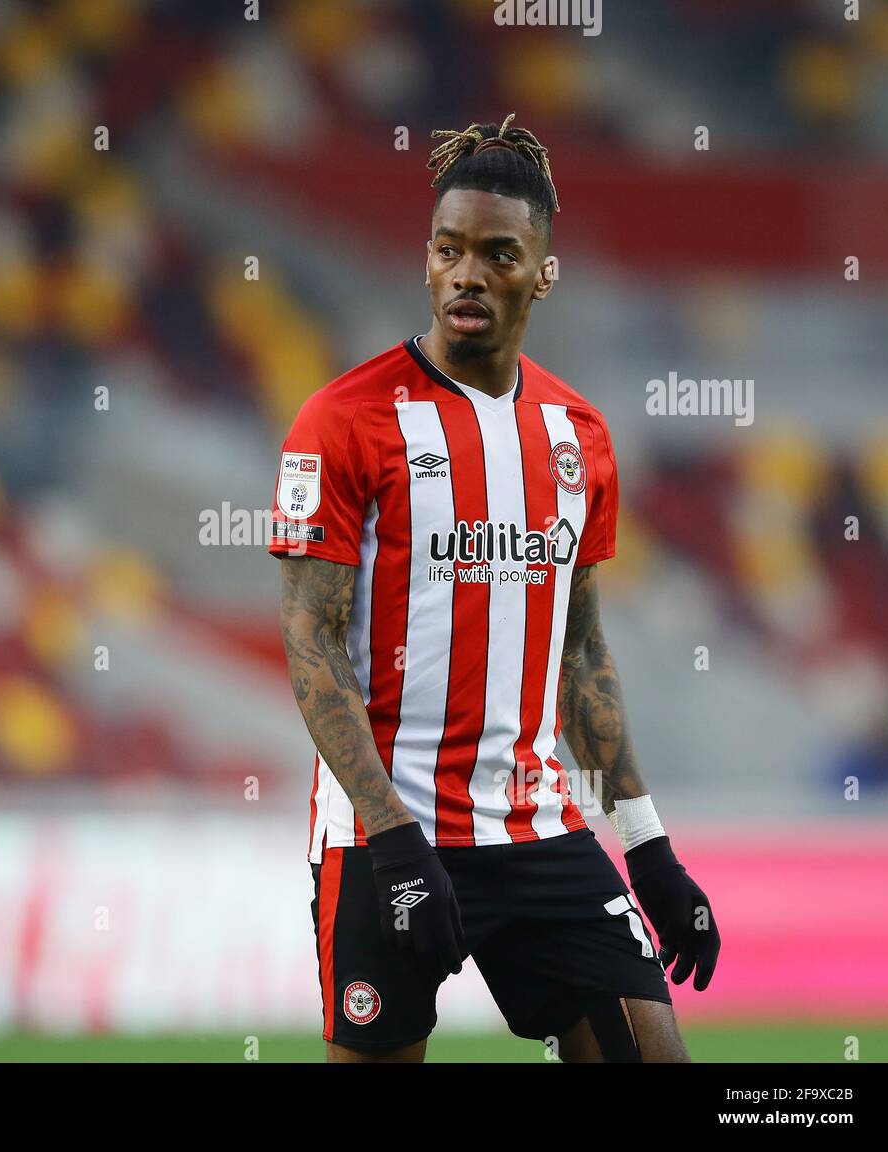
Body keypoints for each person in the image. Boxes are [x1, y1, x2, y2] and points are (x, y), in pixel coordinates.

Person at [269, 115, 720, 1063]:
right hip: (385, 839)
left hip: (536, 826)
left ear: (543, 272)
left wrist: (648, 851)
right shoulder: (343, 421)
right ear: (428, 261)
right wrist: (394, 845)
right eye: (448, 249)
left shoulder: (577, 435)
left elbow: (582, 653)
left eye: (498, 253)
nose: (468, 273)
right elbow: (312, 647)